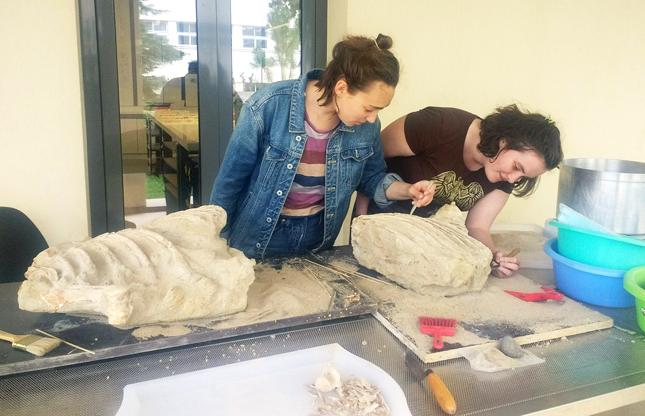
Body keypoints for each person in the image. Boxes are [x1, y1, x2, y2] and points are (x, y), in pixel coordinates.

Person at [210, 34, 435, 259]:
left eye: (378, 111)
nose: (371, 118)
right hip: (258, 237)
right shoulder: (267, 106)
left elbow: (371, 178)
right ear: (341, 88)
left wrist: (408, 190)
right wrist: (215, 241)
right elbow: (230, 181)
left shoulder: (367, 127)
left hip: (318, 238)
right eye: (368, 108)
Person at [354, 104, 563, 277]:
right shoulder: (437, 125)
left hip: (421, 248)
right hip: (376, 232)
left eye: (524, 177)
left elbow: (477, 227)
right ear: (504, 141)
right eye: (517, 167)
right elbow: (368, 163)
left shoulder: (505, 176)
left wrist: (492, 256)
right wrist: (359, 226)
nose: (513, 178)